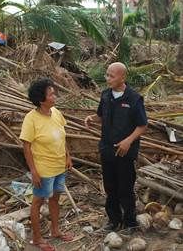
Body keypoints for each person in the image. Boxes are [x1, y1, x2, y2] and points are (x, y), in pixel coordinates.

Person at [85, 62, 147, 232]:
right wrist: (92, 118)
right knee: (110, 188)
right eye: (107, 75)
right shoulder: (105, 95)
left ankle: (130, 222)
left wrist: (128, 140)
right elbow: (101, 116)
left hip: (125, 152)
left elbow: (142, 125)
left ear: (123, 77)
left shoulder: (134, 99)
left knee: (125, 188)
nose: (108, 79)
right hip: (107, 149)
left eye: (111, 76)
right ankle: (113, 220)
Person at [20, 78, 73, 251]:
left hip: (60, 167)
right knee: (38, 202)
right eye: (51, 94)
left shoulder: (56, 113)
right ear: (41, 100)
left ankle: (55, 230)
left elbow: (62, 136)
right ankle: (36, 238)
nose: (54, 96)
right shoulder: (31, 119)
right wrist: (34, 171)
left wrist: (68, 156)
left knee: (55, 198)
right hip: (44, 169)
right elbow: (26, 146)